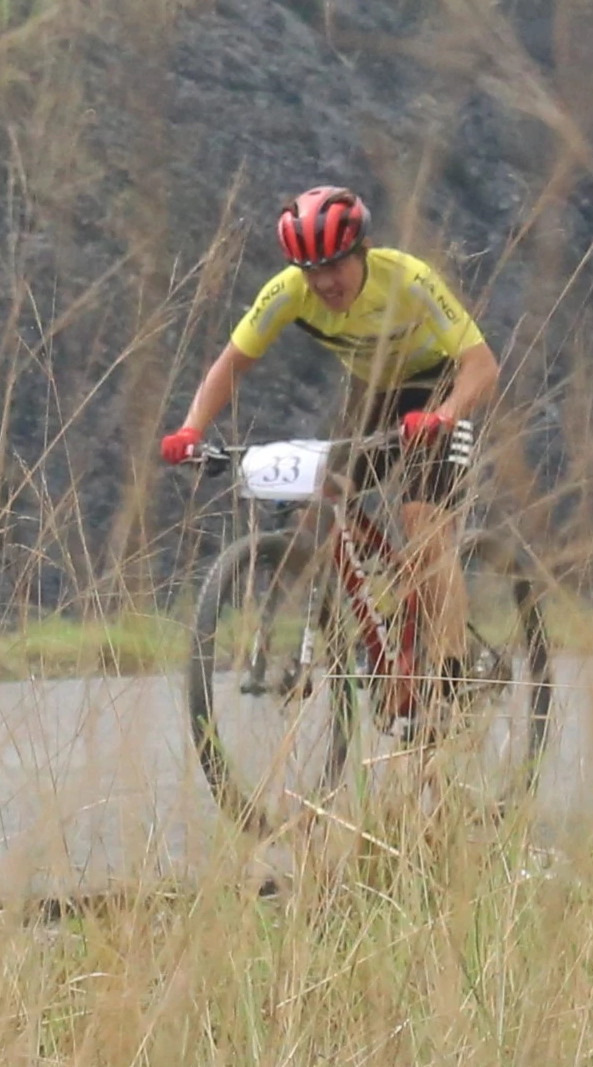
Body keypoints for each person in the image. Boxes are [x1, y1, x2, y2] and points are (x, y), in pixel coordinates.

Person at [160, 186, 500, 710]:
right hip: (374, 397)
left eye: (335, 265)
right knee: (318, 501)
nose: (323, 281)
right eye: (310, 268)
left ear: (360, 251)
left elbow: (482, 364)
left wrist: (445, 415)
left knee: (421, 520)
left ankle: (451, 675)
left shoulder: (409, 279)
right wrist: (190, 430)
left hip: (439, 391)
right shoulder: (288, 292)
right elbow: (231, 363)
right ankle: (370, 635)